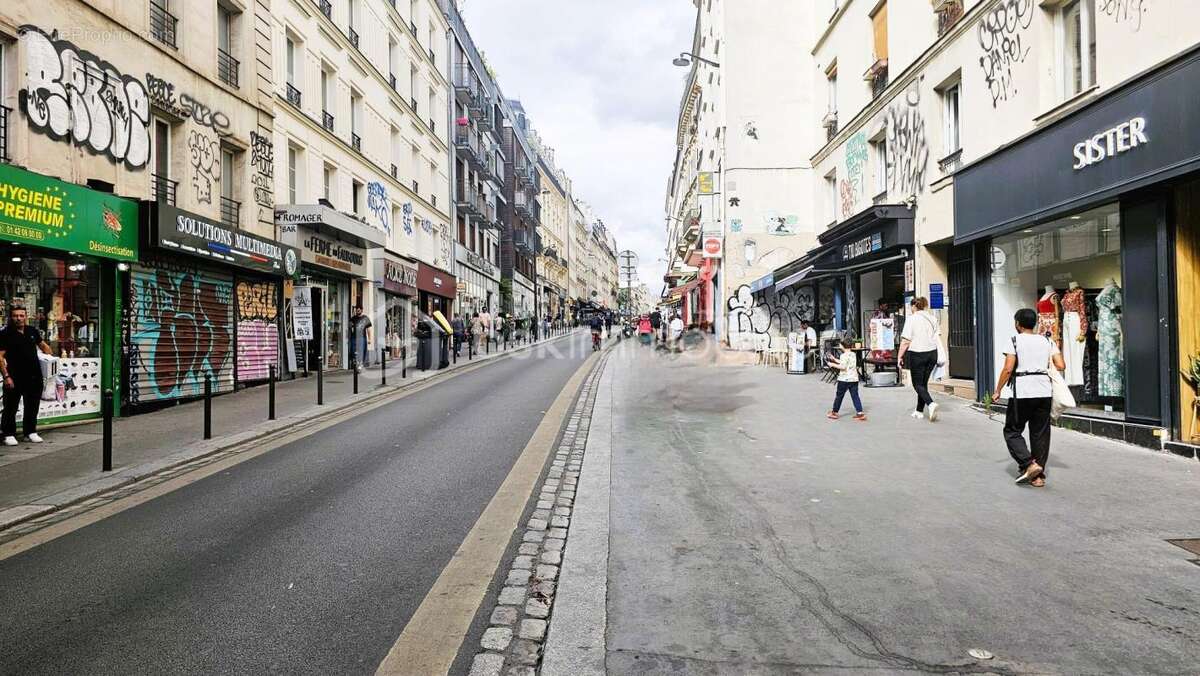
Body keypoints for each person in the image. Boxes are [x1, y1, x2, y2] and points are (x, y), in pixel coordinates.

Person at [993, 308, 1065, 487]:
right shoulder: (1047, 341)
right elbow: (1061, 365)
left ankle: (1028, 464)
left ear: (1017, 323)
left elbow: (1008, 368)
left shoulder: (1014, 341)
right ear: (1035, 324)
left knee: (1012, 430)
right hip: (1044, 391)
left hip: (1024, 391)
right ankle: (1037, 477)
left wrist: (997, 390)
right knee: (1040, 433)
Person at [0, 307, 54, 445]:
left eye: (21, 315)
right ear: (11, 317)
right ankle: (8, 434)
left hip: (34, 376)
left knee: (32, 406)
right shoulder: (6, 333)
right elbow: (0, 357)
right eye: (15, 316)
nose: (18, 318)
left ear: (26, 316)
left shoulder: (32, 331)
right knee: (10, 406)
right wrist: (6, 376)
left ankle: (30, 432)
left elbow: (44, 347)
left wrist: (49, 354)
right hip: (15, 375)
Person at [895, 296, 942, 422]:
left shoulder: (912, 319)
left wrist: (899, 356)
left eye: (911, 306)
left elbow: (905, 341)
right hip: (932, 353)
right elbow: (937, 335)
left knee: (917, 384)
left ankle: (931, 404)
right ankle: (919, 411)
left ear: (914, 306)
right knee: (923, 383)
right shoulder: (933, 318)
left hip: (918, 353)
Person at [827, 337, 866, 421]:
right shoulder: (853, 354)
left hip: (844, 379)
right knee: (855, 396)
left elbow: (843, 366)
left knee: (839, 396)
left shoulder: (843, 355)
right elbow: (845, 363)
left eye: (840, 345)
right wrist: (834, 359)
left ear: (843, 346)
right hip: (854, 379)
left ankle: (835, 412)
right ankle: (860, 413)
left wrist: (832, 364)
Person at [350, 305, 372, 371]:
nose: (357, 311)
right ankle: (356, 363)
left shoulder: (365, 318)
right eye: (357, 310)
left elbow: (368, 329)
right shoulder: (353, 318)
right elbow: (350, 327)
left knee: (361, 351)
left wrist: (369, 339)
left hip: (362, 338)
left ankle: (360, 364)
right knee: (354, 351)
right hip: (354, 338)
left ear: (362, 310)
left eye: (359, 310)